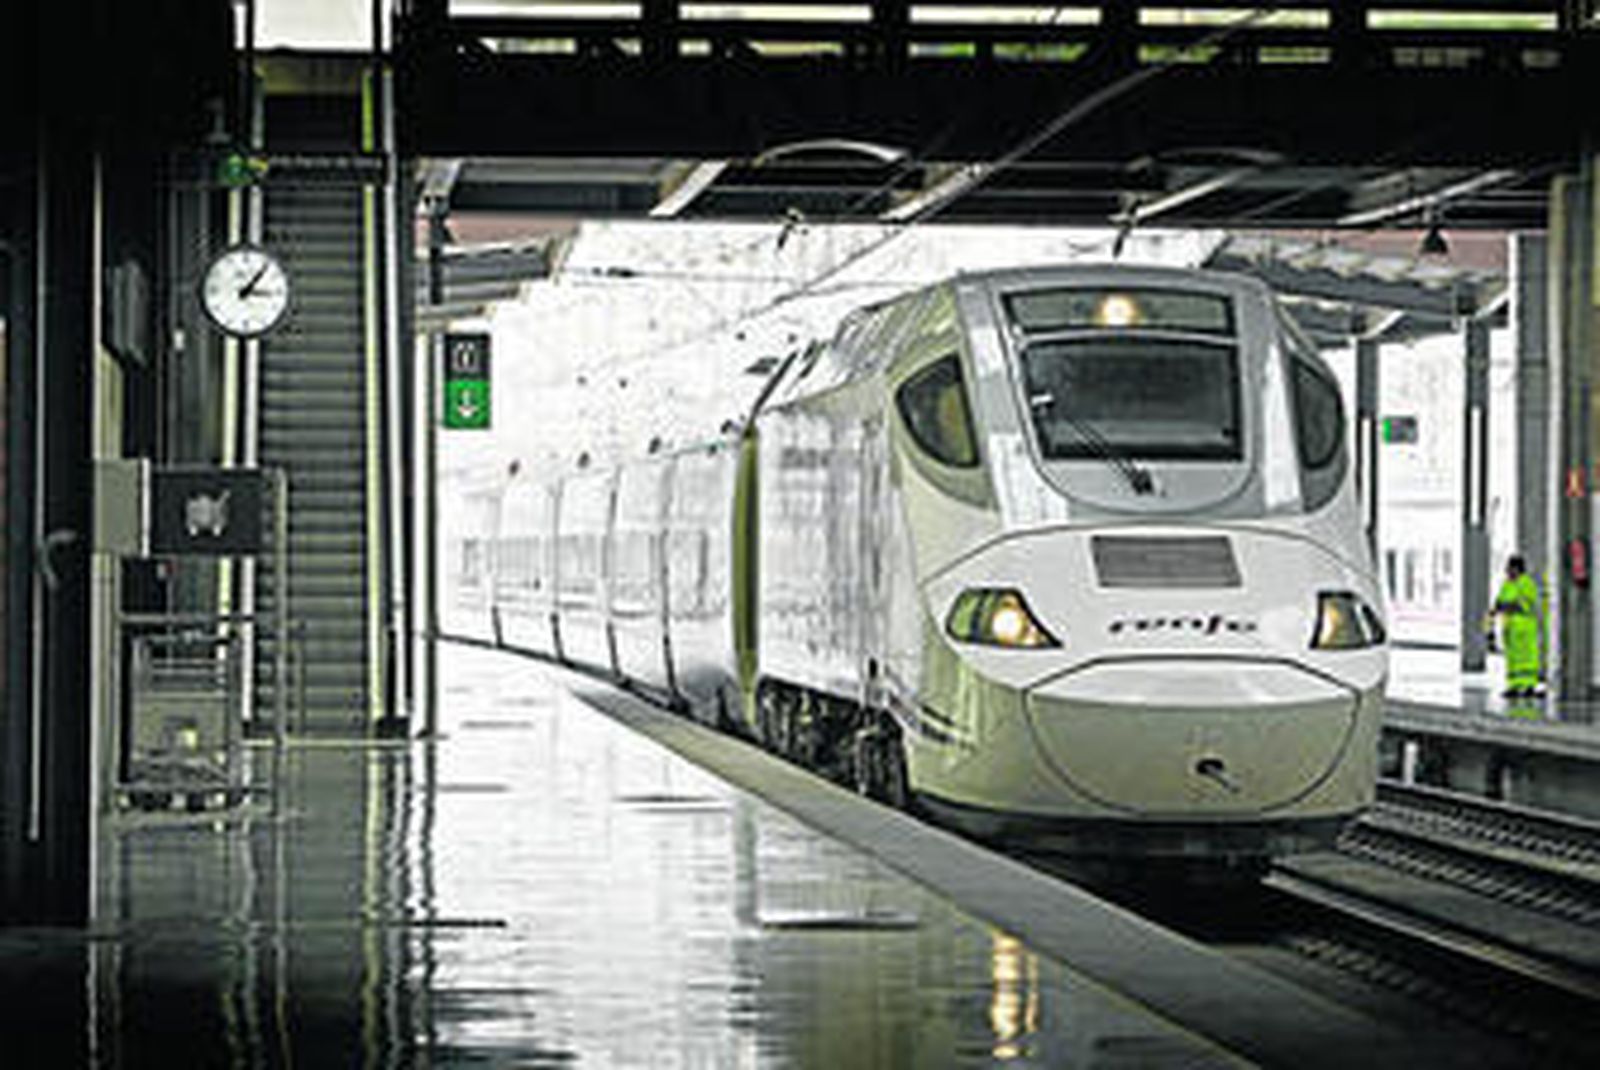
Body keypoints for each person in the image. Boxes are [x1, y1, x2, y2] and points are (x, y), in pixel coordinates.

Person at [1491, 554, 1544, 699]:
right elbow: (1499, 603)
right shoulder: (1507, 584)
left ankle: (1528, 685)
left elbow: (1523, 605)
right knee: (1513, 659)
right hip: (1511, 628)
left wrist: (1507, 606)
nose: (1507, 571)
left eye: (1510, 568)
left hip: (1525, 629)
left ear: (1518, 569)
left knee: (1526, 658)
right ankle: (1514, 685)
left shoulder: (1526, 583)